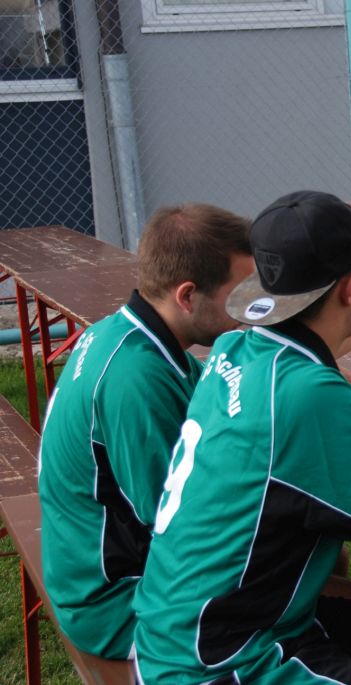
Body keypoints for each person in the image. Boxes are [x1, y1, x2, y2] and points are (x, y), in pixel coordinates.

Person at [132, 191, 351, 684]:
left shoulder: (235, 346)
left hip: (180, 629)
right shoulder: (309, 394)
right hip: (221, 662)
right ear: (350, 289)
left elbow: (322, 340)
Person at [37, 203, 254, 659]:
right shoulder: (136, 379)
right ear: (187, 296)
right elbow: (181, 527)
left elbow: (217, 413)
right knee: (305, 565)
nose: (249, 307)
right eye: (239, 293)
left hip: (112, 575)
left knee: (312, 562)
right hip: (118, 604)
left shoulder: (130, 334)